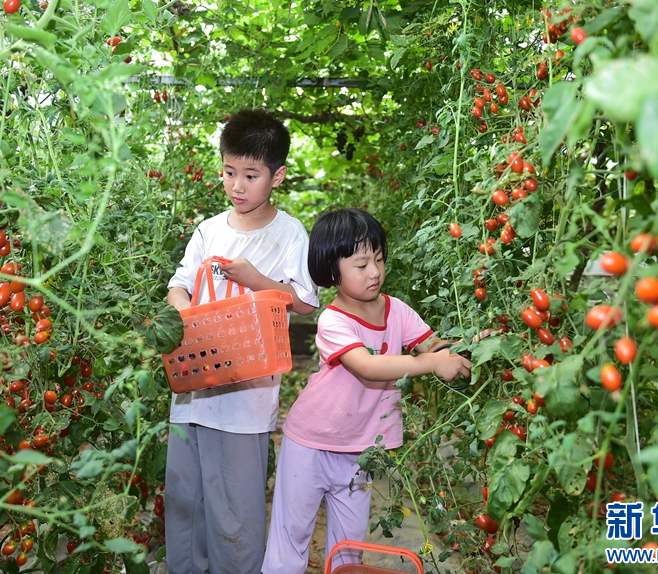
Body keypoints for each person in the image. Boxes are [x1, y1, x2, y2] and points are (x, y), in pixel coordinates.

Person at [261, 208, 472, 574]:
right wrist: (432, 364)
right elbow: (368, 366)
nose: (374, 271)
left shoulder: (398, 311)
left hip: (361, 452)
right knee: (290, 539)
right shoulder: (333, 320)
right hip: (310, 445)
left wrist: (470, 345)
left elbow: (433, 347)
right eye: (361, 265)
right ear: (332, 272)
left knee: (349, 548)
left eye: (378, 259)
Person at [164, 109, 319, 574]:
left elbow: (306, 302)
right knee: (185, 505)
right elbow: (179, 284)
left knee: (237, 518)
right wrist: (180, 310)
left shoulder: (289, 233)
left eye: (251, 175)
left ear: (278, 176)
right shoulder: (208, 230)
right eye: (230, 172)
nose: (237, 185)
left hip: (246, 399)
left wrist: (256, 280)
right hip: (193, 388)